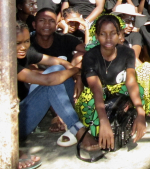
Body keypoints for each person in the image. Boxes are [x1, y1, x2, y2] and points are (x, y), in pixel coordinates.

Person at [16, 21, 98, 155]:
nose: (23, 47)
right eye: (17, 43)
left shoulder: (25, 52)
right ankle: (78, 129)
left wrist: (76, 76)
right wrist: (76, 70)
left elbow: (59, 62)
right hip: (9, 126)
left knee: (58, 69)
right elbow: (47, 80)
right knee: (52, 83)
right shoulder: (5, 62)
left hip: (20, 112)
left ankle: (67, 118)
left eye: (26, 41)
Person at [75, 15, 147, 147]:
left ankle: (131, 112)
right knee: (89, 108)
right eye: (103, 34)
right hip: (96, 94)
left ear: (120, 34)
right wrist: (103, 121)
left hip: (117, 90)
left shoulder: (128, 52)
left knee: (140, 90)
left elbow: (130, 82)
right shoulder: (90, 56)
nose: (108, 38)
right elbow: (96, 90)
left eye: (113, 33)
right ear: (96, 36)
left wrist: (141, 112)